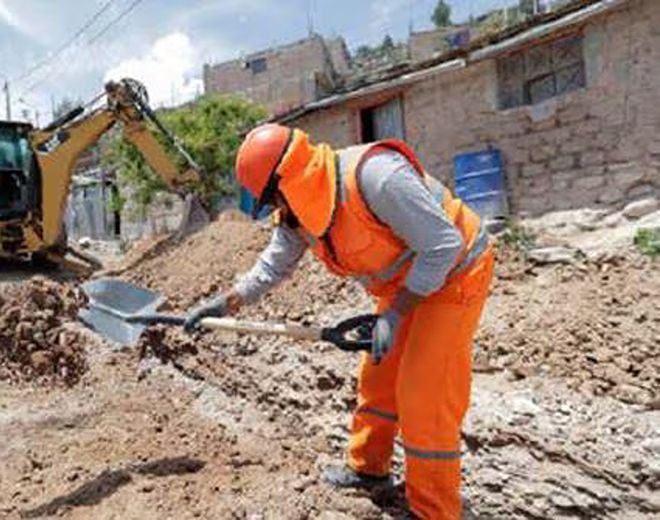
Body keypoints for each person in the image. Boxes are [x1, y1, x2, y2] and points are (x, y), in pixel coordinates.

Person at [184, 124, 494, 520]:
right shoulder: (300, 211)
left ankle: (436, 511)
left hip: (455, 273)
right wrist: (225, 304)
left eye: (274, 197)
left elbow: (443, 245)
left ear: (288, 179)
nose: (277, 208)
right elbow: (273, 265)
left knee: (424, 396)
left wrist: (396, 314)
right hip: (406, 284)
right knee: (379, 379)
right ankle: (369, 471)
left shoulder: (376, 177)